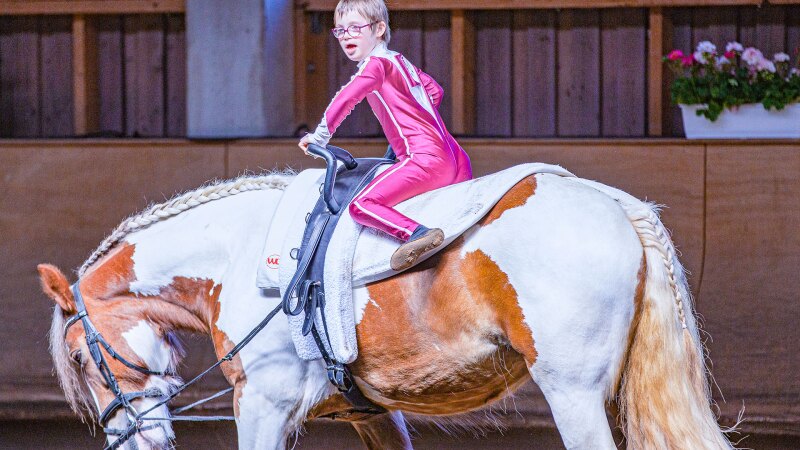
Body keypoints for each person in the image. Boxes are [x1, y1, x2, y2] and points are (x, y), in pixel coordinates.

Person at [299, 0, 472, 271]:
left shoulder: (375, 65)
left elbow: (346, 98)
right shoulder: (400, 61)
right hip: (456, 158)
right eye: (340, 30)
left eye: (355, 28)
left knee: (361, 205)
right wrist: (402, 138)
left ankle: (417, 233)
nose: (346, 36)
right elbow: (434, 91)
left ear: (379, 29)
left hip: (425, 161)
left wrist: (319, 138)